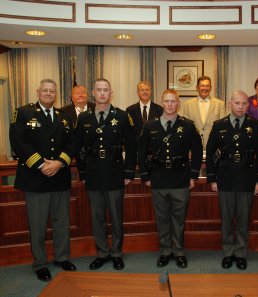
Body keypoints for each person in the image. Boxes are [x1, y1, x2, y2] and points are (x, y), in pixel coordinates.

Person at [9, 79, 77, 282]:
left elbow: (72, 143)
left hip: (59, 177)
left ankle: (62, 257)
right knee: (38, 225)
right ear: (38, 91)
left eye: (52, 91)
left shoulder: (64, 116)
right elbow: (18, 142)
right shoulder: (23, 113)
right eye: (45, 90)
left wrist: (59, 163)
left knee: (61, 222)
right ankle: (39, 263)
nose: (48, 93)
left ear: (56, 94)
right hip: (35, 178)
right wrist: (41, 164)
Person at [75, 78, 137, 271]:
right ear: (93, 93)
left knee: (116, 216)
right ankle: (102, 252)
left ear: (111, 93)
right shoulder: (84, 118)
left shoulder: (122, 116)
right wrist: (82, 172)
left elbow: (132, 146)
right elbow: (79, 147)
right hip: (93, 174)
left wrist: (128, 172)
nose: (102, 93)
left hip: (115, 173)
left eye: (106, 90)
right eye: (99, 90)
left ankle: (117, 252)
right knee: (97, 217)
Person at [138, 89, 202, 269]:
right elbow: (141, 152)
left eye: (173, 101)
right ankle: (166, 251)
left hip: (180, 178)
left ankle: (179, 251)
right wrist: (145, 176)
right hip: (158, 178)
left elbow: (196, 151)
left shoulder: (188, 125)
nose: (169, 105)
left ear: (178, 103)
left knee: (179, 219)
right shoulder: (151, 126)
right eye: (166, 101)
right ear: (162, 102)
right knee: (162, 218)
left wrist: (193, 176)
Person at [206, 90, 258, 270]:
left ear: (248, 105)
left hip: (247, 178)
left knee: (243, 218)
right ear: (230, 104)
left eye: (244, 104)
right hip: (225, 178)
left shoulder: (255, 126)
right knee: (226, 219)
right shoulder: (219, 125)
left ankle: (240, 253)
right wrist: (212, 179)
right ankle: (228, 252)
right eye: (237, 103)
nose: (241, 107)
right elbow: (209, 153)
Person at [180, 76, 225, 148]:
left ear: (211, 87)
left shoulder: (220, 104)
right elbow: (185, 128)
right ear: (197, 88)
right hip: (193, 145)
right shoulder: (187, 105)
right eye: (202, 86)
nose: (205, 88)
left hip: (214, 145)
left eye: (207, 86)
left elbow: (222, 127)